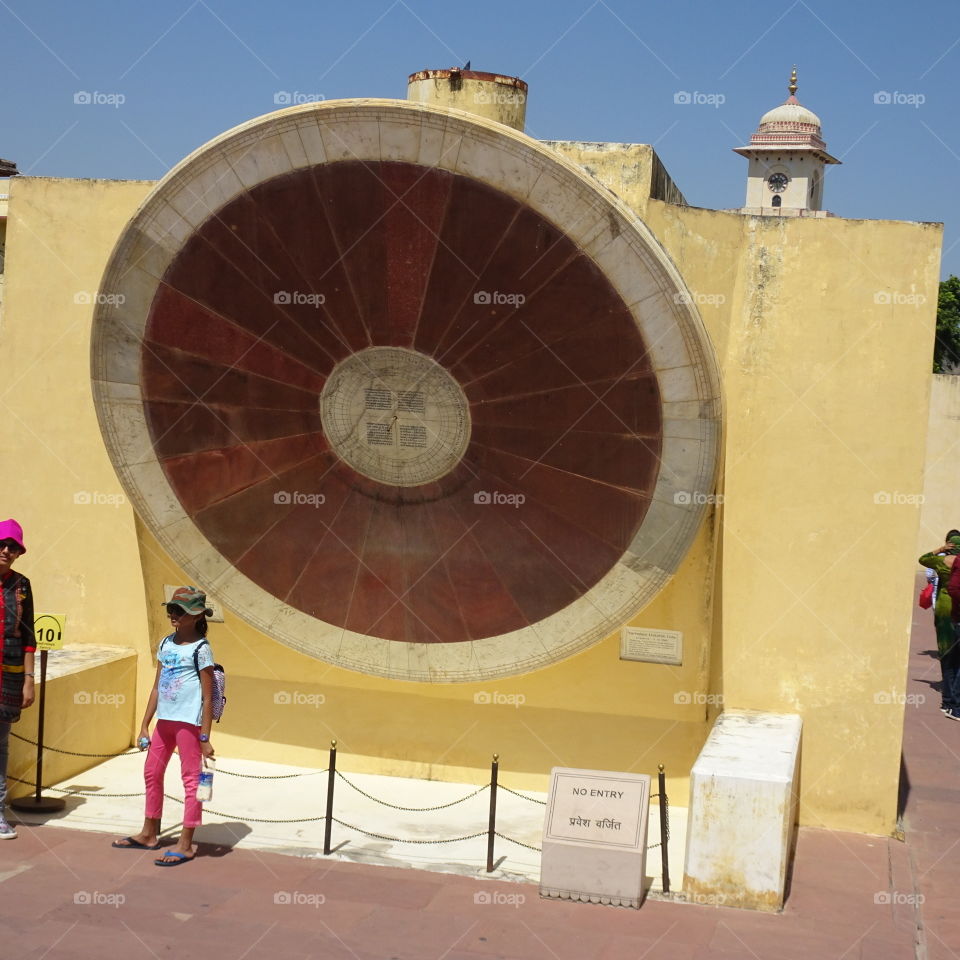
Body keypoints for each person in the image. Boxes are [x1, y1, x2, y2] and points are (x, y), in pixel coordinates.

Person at [113, 586, 216, 865]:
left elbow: (208, 697)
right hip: (164, 722)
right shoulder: (165, 643)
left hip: (188, 724)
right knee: (151, 772)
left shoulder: (201, 649)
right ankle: (149, 833)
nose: (173, 615)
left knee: (192, 780)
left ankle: (186, 843)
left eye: (180, 611)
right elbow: (157, 687)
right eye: (171, 609)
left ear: (197, 616)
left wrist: (205, 736)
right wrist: (145, 724)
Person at [0, 519, 36, 838]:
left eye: (13, 547)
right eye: (2, 544)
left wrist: (29, 679)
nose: (6, 550)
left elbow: (28, 636)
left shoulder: (22, 585)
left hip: (8, 675)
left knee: (0, 743)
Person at [919, 535, 960, 719]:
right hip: (956, 609)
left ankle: (948, 700)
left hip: (943, 607)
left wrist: (940, 549)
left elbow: (923, 559)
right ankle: (952, 701)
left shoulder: (942, 561)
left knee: (946, 653)